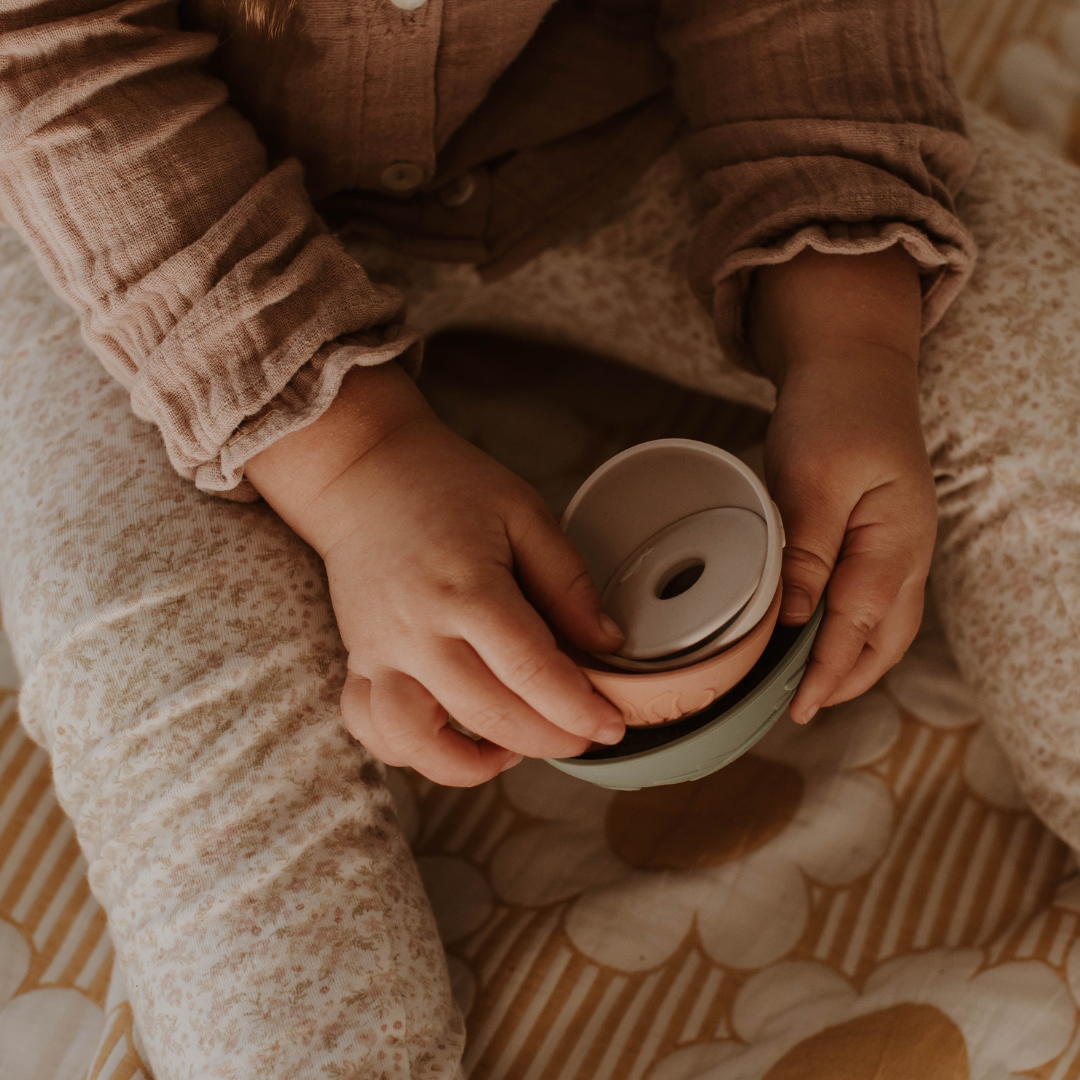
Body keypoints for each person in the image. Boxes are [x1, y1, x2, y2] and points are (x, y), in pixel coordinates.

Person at [2, 0, 1076, 1076]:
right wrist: (352, 461)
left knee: (1051, 333)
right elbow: (56, 54)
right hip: (134, 213)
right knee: (146, 644)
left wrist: (851, 339)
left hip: (607, 121)